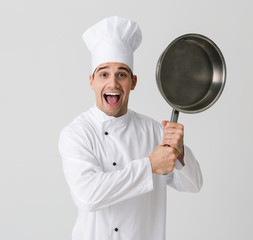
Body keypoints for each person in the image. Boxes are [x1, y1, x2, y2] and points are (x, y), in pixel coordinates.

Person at [58, 16, 203, 240]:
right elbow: (88, 196)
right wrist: (149, 166)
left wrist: (181, 153)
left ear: (133, 82)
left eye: (122, 75)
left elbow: (194, 184)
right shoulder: (77, 134)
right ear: (92, 82)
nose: (113, 83)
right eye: (104, 74)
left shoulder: (155, 131)